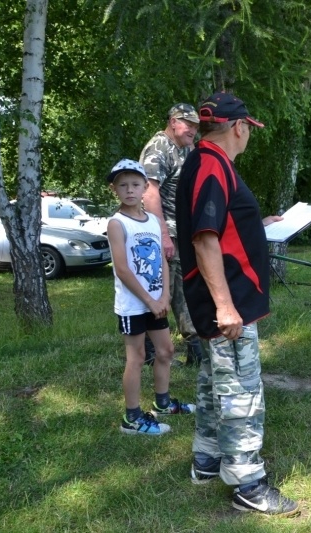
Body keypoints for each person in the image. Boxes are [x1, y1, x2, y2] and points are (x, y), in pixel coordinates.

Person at [174, 92, 298, 517]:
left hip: (220, 300)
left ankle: (206, 461)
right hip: (227, 305)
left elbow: (219, 225)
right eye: (248, 129)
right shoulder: (212, 164)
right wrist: (226, 307)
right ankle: (248, 484)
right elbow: (205, 238)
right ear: (238, 127)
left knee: (213, 384)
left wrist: (256, 225)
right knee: (242, 391)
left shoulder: (205, 160)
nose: (248, 135)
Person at [106, 159, 195, 436]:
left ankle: (163, 403)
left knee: (166, 351)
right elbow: (122, 269)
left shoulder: (155, 221)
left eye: (135, 184)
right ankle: (131, 418)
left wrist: (165, 295)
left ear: (146, 187)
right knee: (137, 356)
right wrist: (149, 301)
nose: (129, 190)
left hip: (157, 302)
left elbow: (163, 262)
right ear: (114, 189)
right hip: (134, 305)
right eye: (123, 185)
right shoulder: (117, 223)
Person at [140, 103, 205, 366]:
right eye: (187, 124)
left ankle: (193, 346)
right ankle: (149, 351)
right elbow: (149, 193)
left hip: (181, 231)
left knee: (182, 288)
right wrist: (163, 236)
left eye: (196, 125)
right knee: (161, 292)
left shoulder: (185, 149)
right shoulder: (158, 148)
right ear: (173, 121)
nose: (193, 129)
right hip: (162, 233)